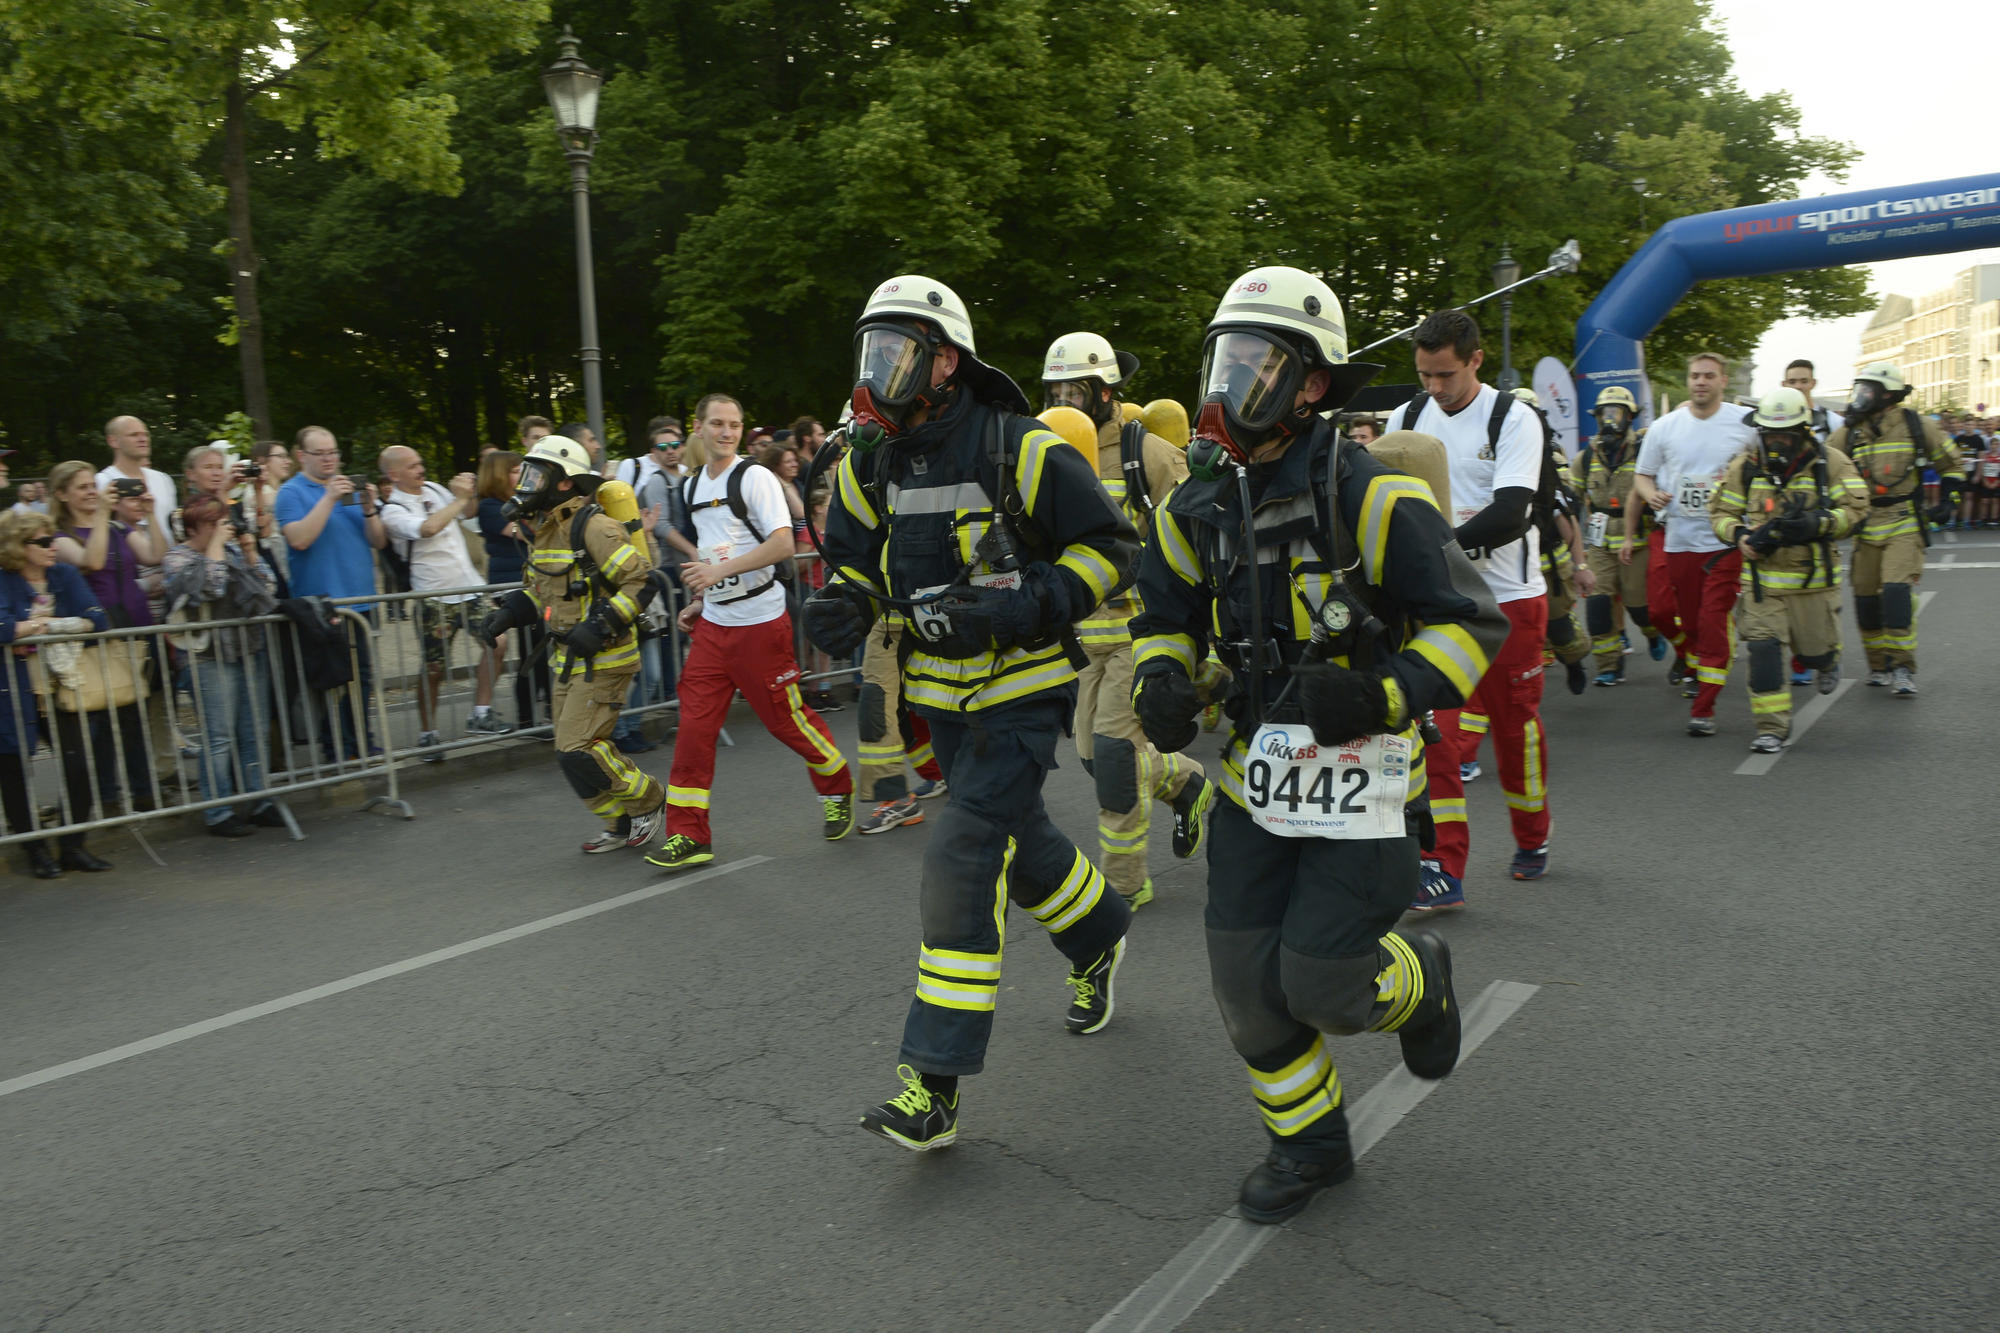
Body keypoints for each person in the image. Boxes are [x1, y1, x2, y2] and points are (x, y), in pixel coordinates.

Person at [1129, 266, 1503, 1222]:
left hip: (1366, 784)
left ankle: (1420, 982)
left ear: (1309, 383)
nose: (1230, 383)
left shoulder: (1371, 499)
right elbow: (1165, 620)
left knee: (1327, 981)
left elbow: (1469, 625)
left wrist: (1384, 692)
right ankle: (1310, 1148)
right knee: (1248, 989)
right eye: (1225, 359)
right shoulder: (1192, 511)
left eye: (1255, 362)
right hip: (1257, 786)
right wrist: (1163, 679)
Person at [804, 274, 1138, 1151]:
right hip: (941, 699)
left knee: (961, 855)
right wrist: (843, 599)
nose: (878, 371)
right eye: (870, 351)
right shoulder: (868, 461)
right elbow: (856, 559)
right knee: (1017, 840)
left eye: (897, 352)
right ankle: (1101, 932)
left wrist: (1035, 601)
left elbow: (1112, 548)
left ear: (945, 361)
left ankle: (934, 1083)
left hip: (1025, 690)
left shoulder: (1019, 449)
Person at [1040, 331, 1212, 910]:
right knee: (1094, 758)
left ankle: (1123, 883)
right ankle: (1189, 784)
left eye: (1075, 388)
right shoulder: (1051, 449)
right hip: (1083, 637)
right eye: (1055, 387)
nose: (1063, 398)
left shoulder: (1150, 455)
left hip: (1138, 636)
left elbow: (1198, 536)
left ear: (1106, 391)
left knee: (1114, 758)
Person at [1385, 309, 1552, 903]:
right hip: (1440, 608)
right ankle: (1442, 867)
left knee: (1514, 731)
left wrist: (1437, 547)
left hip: (1510, 603)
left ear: (1475, 360)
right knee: (1439, 738)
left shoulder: (1513, 418)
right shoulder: (1404, 419)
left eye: (1446, 376)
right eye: (1425, 375)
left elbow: (1512, 513)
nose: (1434, 388)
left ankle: (1532, 835)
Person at [649, 392, 853, 870]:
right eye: (717, 423)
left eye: (734, 425)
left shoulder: (756, 477)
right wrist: (702, 600)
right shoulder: (692, 485)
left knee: (785, 722)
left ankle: (836, 780)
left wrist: (717, 577)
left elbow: (783, 545)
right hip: (715, 628)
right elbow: (719, 550)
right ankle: (689, 835)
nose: (726, 432)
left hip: (761, 625)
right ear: (697, 428)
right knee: (694, 730)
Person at [474, 434, 667, 852]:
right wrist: (506, 614)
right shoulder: (544, 532)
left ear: (564, 482)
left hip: (607, 658)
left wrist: (599, 626)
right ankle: (619, 822)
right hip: (567, 658)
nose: (526, 481)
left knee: (578, 747)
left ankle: (649, 799)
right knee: (568, 754)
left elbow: (642, 581)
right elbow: (539, 592)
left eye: (536, 473)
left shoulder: (594, 527)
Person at [1707, 389, 1868, 752]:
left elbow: (1858, 510)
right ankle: (1771, 728)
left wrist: (1819, 524)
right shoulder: (1745, 467)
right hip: (1763, 585)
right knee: (1763, 652)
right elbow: (1719, 514)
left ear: (1803, 433)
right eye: (1769, 436)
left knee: (1815, 653)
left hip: (1814, 585)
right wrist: (1740, 536)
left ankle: (1826, 660)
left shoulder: (1833, 464)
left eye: (1784, 436)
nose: (1776, 443)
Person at [1633, 353, 1759, 735]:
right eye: (1694, 376)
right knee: (1686, 620)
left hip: (1723, 541)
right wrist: (1651, 494)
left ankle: (1704, 708)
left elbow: (1766, 467)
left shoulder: (1743, 425)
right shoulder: (1665, 427)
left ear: (1723, 381)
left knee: (1712, 620)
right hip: (1679, 539)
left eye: (1708, 376)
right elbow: (1642, 476)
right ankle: (1693, 662)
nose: (1700, 382)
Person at [1825, 363, 1964, 696]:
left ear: (1886, 395)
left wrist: (1949, 499)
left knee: (1896, 593)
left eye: (1866, 391)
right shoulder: (1849, 432)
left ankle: (1903, 667)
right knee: (1865, 600)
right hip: (1865, 524)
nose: (1859, 397)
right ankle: (1878, 665)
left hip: (1904, 521)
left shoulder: (1915, 425)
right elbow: (1820, 465)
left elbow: (1952, 463)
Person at [0, 510, 117, 876]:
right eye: (43, 542)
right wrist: (48, 626)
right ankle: (34, 849)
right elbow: (2, 626)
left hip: (63, 687)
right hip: (14, 690)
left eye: (52, 539)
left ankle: (72, 844)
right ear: (18, 547)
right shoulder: (4, 580)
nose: (53, 547)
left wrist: (37, 626)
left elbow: (97, 618)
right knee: (15, 772)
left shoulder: (63, 574)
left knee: (81, 765)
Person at [161, 493, 286, 834]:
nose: (222, 528)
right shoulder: (176, 559)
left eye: (223, 521)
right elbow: (211, 588)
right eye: (213, 523)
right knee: (218, 736)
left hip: (248, 649)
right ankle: (217, 812)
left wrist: (248, 551)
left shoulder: (231, 551)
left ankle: (259, 801)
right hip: (208, 657)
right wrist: (217, 545)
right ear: (193, 527)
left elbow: (268, 591)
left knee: (255, 731)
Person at [378, 446, 513, 753]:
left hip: (469, 587)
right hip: (434, 595)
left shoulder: (435, 489)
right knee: (434, 668)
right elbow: (428, 528)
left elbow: (466, 513)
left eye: (421, 462)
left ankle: (480, 713)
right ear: (394, 474)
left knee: (499, 642)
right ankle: (428, 732)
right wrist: (460, 498)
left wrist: (471, 490)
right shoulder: (393, 510)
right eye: (412, 466)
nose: (420, 469)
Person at [276, 426, 386, 760]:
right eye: (320, 454)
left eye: (333, 452)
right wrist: (328, 498)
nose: (329, 460)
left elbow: (378, 541)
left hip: (360, 598)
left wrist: (368, 508)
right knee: (333, 679)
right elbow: (299, 539)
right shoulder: (291, 492)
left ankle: (358, 741)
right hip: (321, 604)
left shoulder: (348, 488)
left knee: (362, 677)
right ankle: (336, 746)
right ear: (301, 456)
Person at [1574, 386, 1664, 684]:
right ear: (1597, 418)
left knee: (1639, 606)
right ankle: (1609, 666)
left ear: (1630, 418)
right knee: (1598, 605)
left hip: (1637, 543)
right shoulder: (1586, 458)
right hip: (1599, 545)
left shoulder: (1643, 453)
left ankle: (1651, 634)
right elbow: (1571, 499)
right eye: (1605, 414)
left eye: (1617, 413)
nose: (1610, 419)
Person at [1781, 360, 1840, 443]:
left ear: (1813, 383)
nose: (1798, 386)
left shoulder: (1832, 421)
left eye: (1804, 381)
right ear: (1784, 385)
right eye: (1792, 382)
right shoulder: (1771, 420)